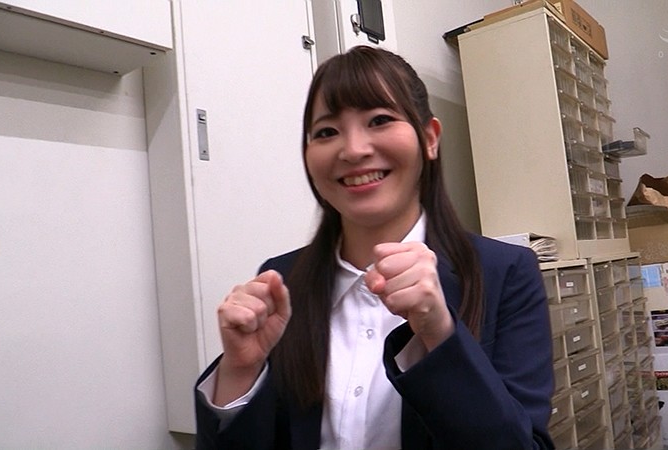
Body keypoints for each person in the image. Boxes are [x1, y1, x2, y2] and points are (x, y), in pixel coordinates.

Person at [195, 45, 554, 450]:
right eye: (326, 132)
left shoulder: (505, 273)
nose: (353, 150)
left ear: (430, 138)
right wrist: (240, 372)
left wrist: (439, 334)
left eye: (380, 120)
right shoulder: (282, 282)